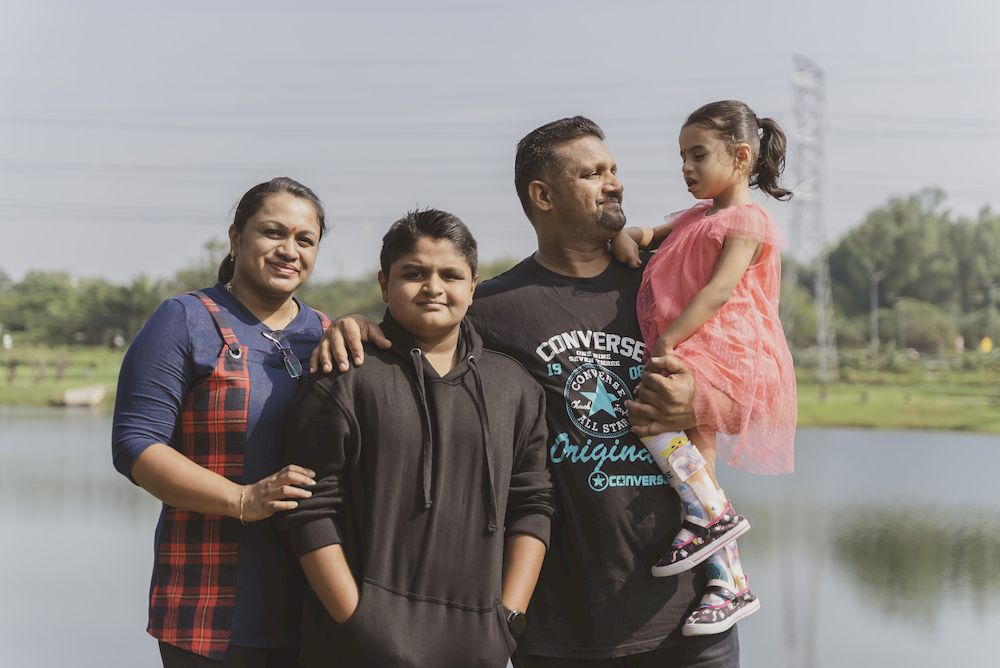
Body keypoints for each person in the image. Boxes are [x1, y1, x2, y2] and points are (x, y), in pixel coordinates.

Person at [313, 118, 740, 666]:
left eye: (613, 170)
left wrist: (701, 401)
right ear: (543, 195)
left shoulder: (667, 281)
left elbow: (758, 393)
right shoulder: (491, 308)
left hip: (691, 613)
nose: (615, 183)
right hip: (560, 629)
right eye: (593, 173)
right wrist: (351, 325)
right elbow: (408, 343)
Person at [279, 209, 553, 668]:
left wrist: (506, 620)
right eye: (414, 273)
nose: (433, 287)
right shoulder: (344, 377)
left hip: (477, 649)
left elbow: (533, 505)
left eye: (451, 275)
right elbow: (308, 510)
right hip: (356, 651)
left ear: (473, 286)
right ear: (384, 283)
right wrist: (358, 621)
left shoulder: (515, 388)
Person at [112, 177, 331, 667]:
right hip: (207, 610)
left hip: (315, 610)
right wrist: (243, 499)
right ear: (236, 238)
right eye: (273, 232)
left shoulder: (327, 334)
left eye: (305, 240)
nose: (289, 250)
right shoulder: (184, 319)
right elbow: (136, 444)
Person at [611, 100, 797, 636]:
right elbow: (649, 234)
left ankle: (712, 517)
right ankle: (729, 580)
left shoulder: (748, 221)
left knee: (650, 416)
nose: (686, 168)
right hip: (701, 349)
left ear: (740, 157)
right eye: (682, 157)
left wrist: (669, 338)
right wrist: (630, 235)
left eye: (698, 155)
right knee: (697, 452)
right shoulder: (696, 216)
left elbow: (718, 291)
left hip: (728, 351)